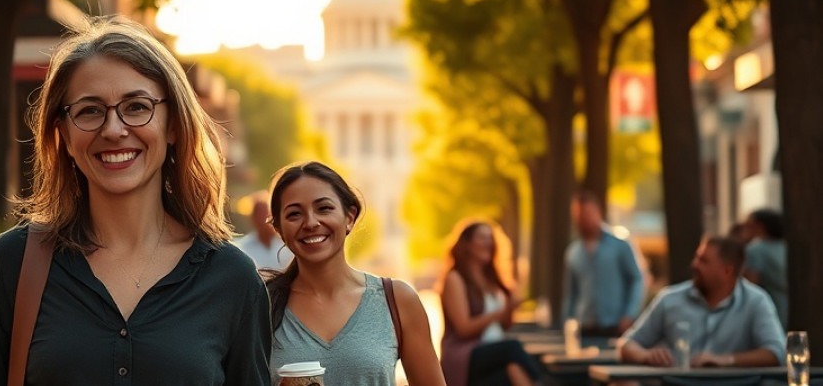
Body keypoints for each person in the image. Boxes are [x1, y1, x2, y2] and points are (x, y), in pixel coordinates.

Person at [0, 16, 272, 384]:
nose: (113, 129)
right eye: (89, 110)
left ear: (173, 125)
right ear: (64, 135)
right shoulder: (16, 261)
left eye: (137, 106)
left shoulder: (231, 278)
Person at [264, 161, 445, 386]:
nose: (310, 222)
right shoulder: (262, 305)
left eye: (324, 208)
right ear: (279, 229)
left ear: (349, 217)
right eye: (294, 214)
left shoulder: (397, 300)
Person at [619, 236, 785, 368]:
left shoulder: (756, 301)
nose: (694, 265)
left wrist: (726, 360)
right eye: (697, 258)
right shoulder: (669, 299)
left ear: (727, 271)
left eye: (703, 261)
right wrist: (646, 355)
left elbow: (776, 352)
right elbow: (627, 344)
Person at [439, 219, 539, 386]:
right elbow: (463, 328)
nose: (489, 242)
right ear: (467, 244)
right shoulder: (455, 279)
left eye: (490, 238)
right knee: (513, 348)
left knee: (513, 370)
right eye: (482, 237)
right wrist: (499, 313)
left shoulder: (492, 280)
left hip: (492, 353)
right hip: (465, 356)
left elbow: (505, 325)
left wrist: (511, 308)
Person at [562, 190, 644, 337]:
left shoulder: (620, 245)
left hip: (615, 326)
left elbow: (636, 279)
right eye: (579, 215)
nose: (584, 219)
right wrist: (568, 321)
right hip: (585, 327)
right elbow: (571, 293)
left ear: (598, 212)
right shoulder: (573, 252)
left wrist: (630, 314)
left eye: (587, 214)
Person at [742, 208, 788, 329]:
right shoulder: (784, 246)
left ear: (759, 226)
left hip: (772, 307)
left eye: (748, 225)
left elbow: (750, 284)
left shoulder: (756, 249)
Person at [235, 190, 294, 270]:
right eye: (259, 215)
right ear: (252, 219)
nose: (264, 220)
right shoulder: (241, 248)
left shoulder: (290, 246)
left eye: (267, 214)